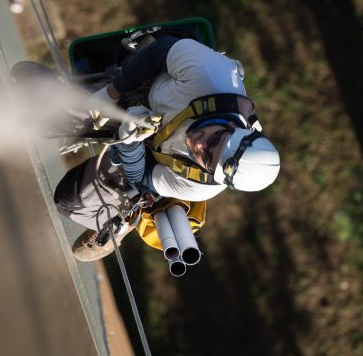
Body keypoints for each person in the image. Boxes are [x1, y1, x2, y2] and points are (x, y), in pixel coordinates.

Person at [54, 33, 280, 261]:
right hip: (143, 94)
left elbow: (141, 177)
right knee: (53, 114)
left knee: (68, 200)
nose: (200, 145)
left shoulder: (202, 185)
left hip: (150, 157)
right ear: (232, 125)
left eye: (208, 158)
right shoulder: (211, 76)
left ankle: (130, 218)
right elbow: (161, 50)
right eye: (215, 140)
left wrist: (130, 143)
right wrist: (111, 93)